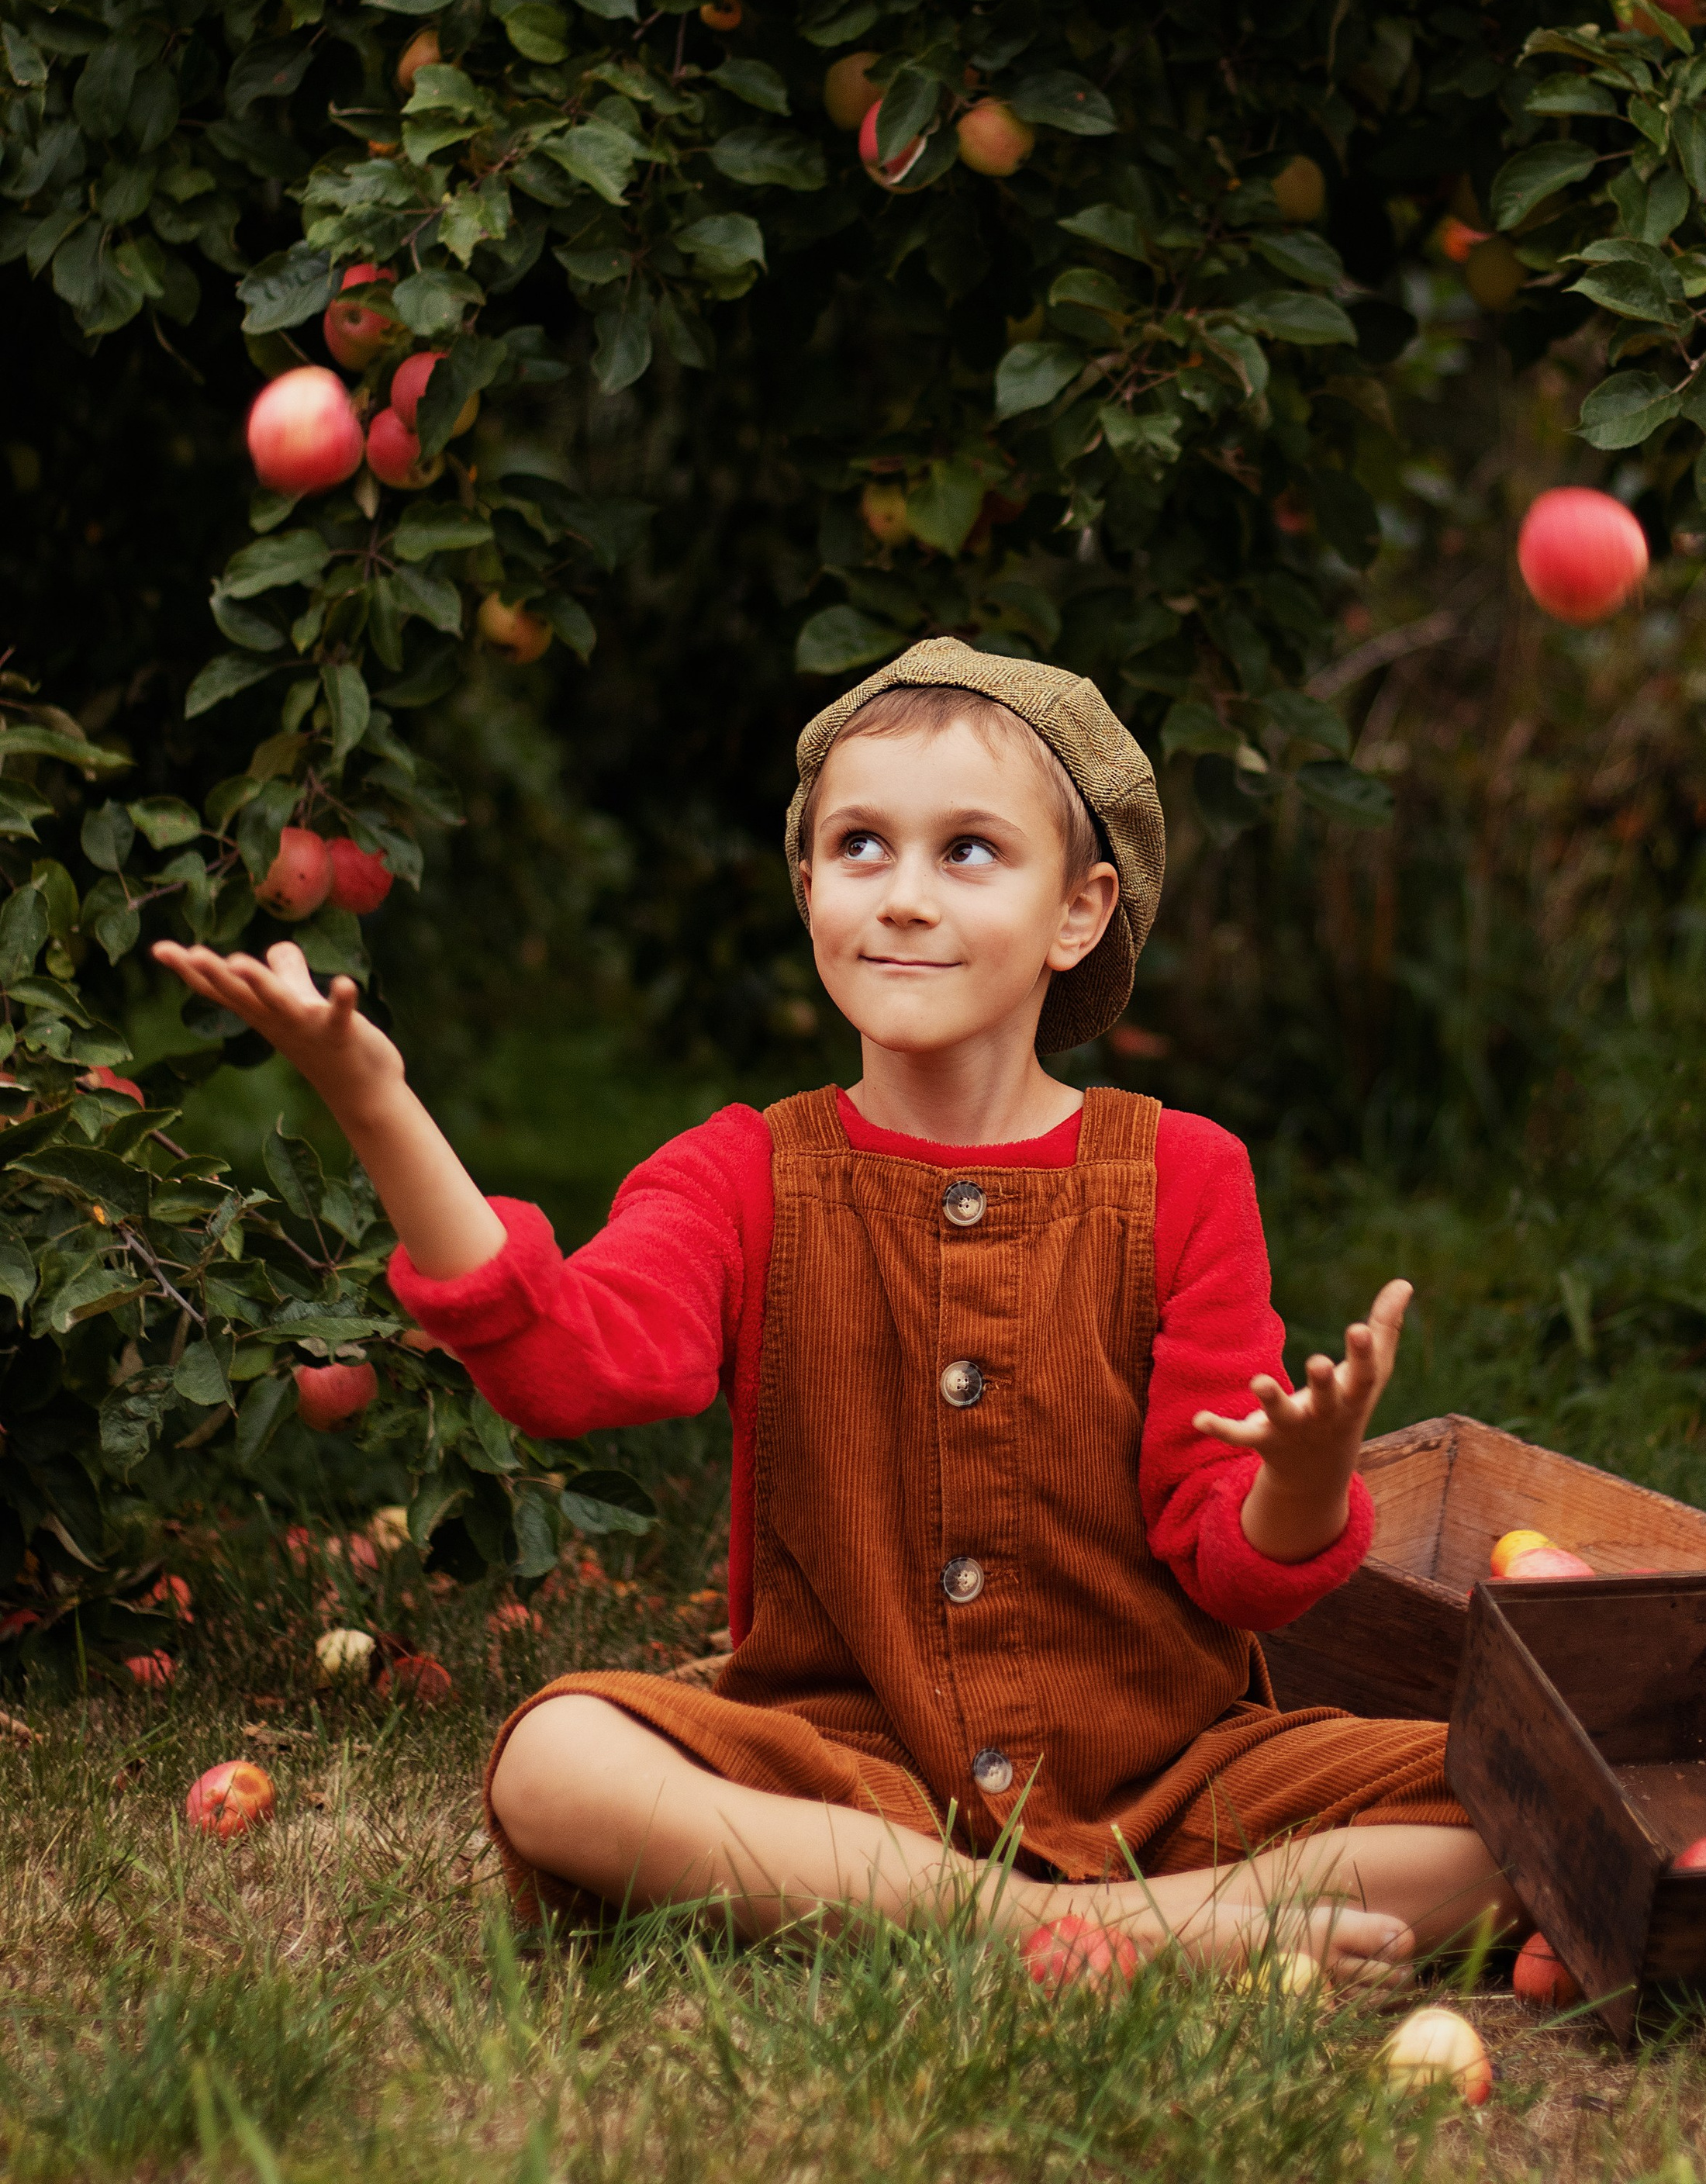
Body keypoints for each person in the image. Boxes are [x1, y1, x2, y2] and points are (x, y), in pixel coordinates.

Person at [155, 638, 1512, 1980]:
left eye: (969, 851)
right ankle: (1070, 1938)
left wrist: (1309, 1478)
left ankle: (1112, 1928)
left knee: (1523, 1804)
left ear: (1080, 912)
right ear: (807, 885)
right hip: (847, 1772)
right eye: (861, 846)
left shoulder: (1185, 1178)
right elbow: (571, 1364)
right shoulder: (747, 1172)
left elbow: (1230, 1558)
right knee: (555, 1762)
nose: (904, 896)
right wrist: (374, 1103)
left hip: (1171, 1780)